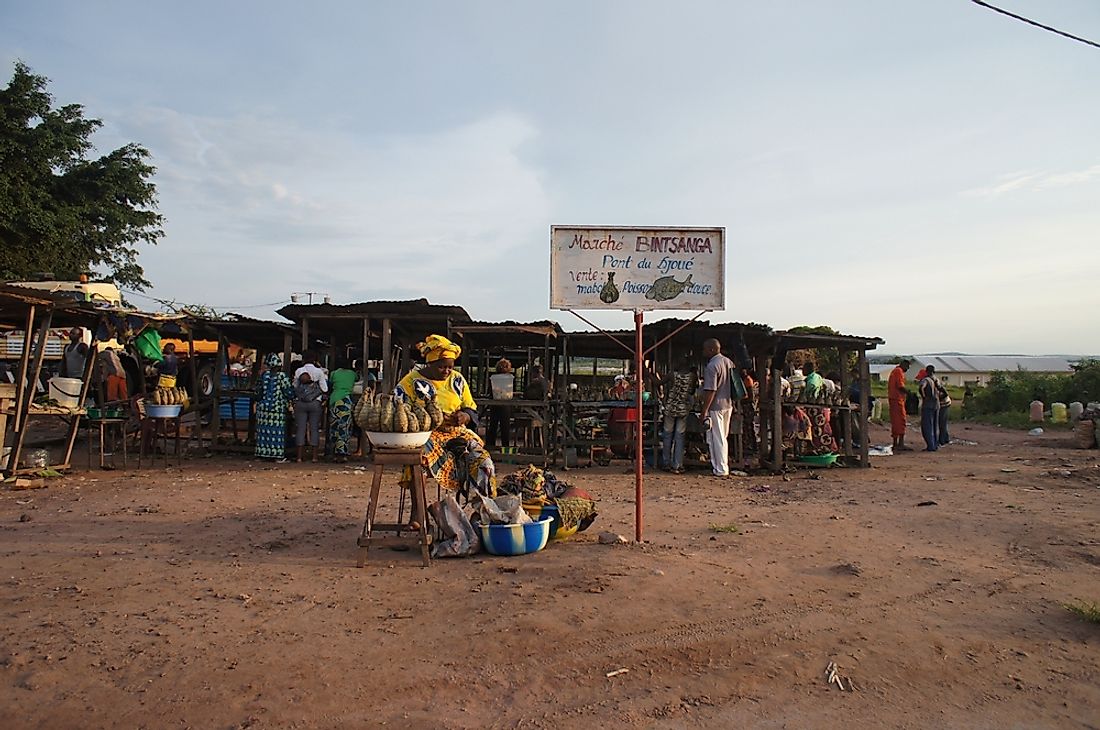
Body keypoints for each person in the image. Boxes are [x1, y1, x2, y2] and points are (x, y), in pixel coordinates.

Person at [395, 334, 495, 503]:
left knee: (484, 463)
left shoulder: (457, 380)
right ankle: (417, 513)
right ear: (430, 363)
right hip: (425, 435)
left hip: (457, 433)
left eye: (450, 367)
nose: (447, 372)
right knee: (419, 463)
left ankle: (484, 513)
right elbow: (397, 411)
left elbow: (471, 408)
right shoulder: (410, 382)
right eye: (442, 367)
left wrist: (465, 416)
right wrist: (429, 418)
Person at [699, 338, 736, 476]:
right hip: (728, 404)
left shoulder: (712, 366)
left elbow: (711, 390)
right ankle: (721, 466)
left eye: (705, 349)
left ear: (712, 349)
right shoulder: (729, 362)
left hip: (715, 406)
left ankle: (720, 469)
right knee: (723, 437)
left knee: (717, 438)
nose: (703, 352)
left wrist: (704, 411)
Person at [254, 353, 294, 461]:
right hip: (277, 409)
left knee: (263, 432)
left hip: (263, 409)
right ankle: (277, 456)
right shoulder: (282, 376)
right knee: (277, 433)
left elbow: (258, 390)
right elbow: (289, 392)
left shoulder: (264, 375)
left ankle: (262, 454)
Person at [661, 356, 697, 474]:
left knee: (667, 436)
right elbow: (692, 392)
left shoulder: (672, 375)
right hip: (682, 409)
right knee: (679, 437)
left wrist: (648, 373)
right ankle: (677, 465)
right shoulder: (692, 376)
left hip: (670, 408)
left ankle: (666, 463)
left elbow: (658, 382)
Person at [327, 357, 357, 462]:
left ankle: (334, 453)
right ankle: (342, 453)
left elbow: (329, 385)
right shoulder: (352, 374)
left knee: (334, 427)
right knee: (344, 427)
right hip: (346, 401)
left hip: (334, 400)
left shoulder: (334, 373)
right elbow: (356, 381)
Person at [294, 369, 325, 462]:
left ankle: (299, 457)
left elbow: (294, 387)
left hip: (300, 405)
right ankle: (314, 457)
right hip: (314, 404)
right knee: (314, 429)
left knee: (300, 429)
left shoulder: (299, 379)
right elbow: (325, 389)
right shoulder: (318, 376)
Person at [485, 358, 513, 449]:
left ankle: (490, 447)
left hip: (495, 404)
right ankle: (506, 448)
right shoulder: (509, 379)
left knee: (493, 425)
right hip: (505, 405)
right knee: (505, 427)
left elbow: (490, 391)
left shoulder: (494, 378)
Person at [888, 359, 912, 451]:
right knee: (901, 420)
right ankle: (900, 443)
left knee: (895, 421)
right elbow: (900, 386)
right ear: (904, 365)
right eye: (908, 366)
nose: (908, 369)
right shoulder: (899, 371)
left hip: (894, 399)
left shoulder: (895, 371)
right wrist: (908, 393)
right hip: (897, 399)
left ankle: (896, 443)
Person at [919, 365, 941, 452]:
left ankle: (930, 446)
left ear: (926, 371)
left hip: (928, 404)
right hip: (936, 404)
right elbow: (940, 388)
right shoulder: (936, 379)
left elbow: (921, 388)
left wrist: (924, 396)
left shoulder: (926, 380)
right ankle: (935, 445)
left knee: (927, 426)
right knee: (935, 426)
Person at [937, 377, 952, 447]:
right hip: (944, 403)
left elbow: (945, 393)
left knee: (942, 422)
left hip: (944, 404)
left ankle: (942, 440)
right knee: (943, 422)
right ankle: (945, 438)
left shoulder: (935, 382)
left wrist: (937, 398)